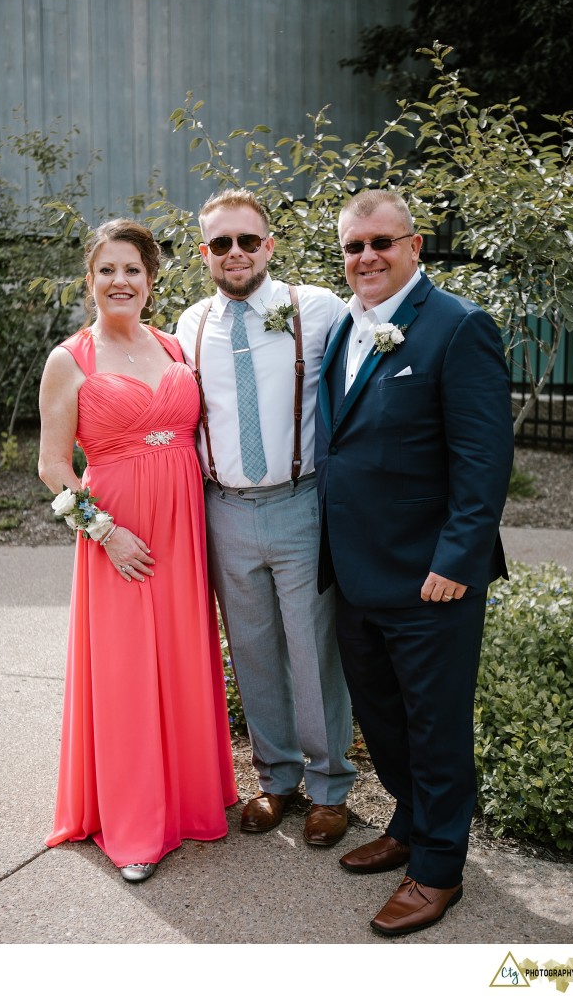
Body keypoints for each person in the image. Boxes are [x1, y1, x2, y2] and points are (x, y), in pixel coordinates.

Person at [315, 190, 514, 935]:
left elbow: (484, 460)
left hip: (432, 575)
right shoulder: (346, 327)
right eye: (352, 247)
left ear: (415, 246)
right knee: (382, 715)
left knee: (434, 725)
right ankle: (407, 820)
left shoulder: (458, 327)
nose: (365, 257)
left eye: (380, 243)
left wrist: (457, 559)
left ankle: (437, 868)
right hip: (357, 570)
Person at [39, 218, 237, 882]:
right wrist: (105, 532)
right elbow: (52, 467)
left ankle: (186, 800)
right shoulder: (71, 359)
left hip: (183, 531)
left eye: (132, 270)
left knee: (180, 658)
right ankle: (134, 824)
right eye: (107, 270)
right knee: (125, 674)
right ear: (89, 279)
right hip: (118, 539)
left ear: (151, 281)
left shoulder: (177, 348)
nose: (119, 281)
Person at [176, 188, 356, 847]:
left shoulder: (317, 310)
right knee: (250, 650)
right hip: (224, 509)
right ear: (205, 253)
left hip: (301, 503)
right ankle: (276, 779)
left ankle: (331, 786)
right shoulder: (190, 327)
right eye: (221, 243)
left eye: (247, 240)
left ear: (269, 246)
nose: (235, 253)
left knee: (313, 651)